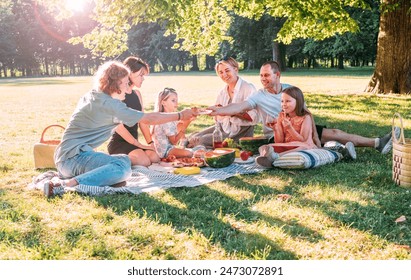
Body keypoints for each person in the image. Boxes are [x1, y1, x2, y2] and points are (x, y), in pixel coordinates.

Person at [43, 61, 197, 198]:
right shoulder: (111, 106)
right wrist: (180, 115)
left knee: (121, 160)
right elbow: (149, 119)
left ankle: (103, 179)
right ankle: (67, 185)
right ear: (115, 84)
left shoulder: (93, 95)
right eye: (124, 82)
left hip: (65, 158)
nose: (127, 86)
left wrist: (142, 144)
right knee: (122, 166)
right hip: (73, 159)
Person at [209, 61, 397, 156]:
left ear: (277, 75)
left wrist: (314, 135)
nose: (263, 79)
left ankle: (377, 143)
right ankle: (339, 150)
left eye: (266, 75)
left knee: (333, 132)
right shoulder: (259, 95)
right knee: (311, 144)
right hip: (278, 135)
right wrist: (217, 110)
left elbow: (307, 115)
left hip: (301, 127)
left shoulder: (291, 91)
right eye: (261, 76)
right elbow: (239, 106)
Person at [187, 56, 258, 148]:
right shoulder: (223, 91)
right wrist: (208, 111)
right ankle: (189, 146)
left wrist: (227, 111)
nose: (224, 75)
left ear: (235, 70)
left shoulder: (247, 88)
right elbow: (219, 112)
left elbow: (253, 118)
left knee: (200, 141)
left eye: (227, 70)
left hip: (239, 131)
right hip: (223, 127)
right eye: (221, 72)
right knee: (193, 137)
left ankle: (196, 148)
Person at [107, 56, 159, 167]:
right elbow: (118, 126)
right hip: (119, 143)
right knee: (144, 161)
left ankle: (136, 155)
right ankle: (109, 160)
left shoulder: (137, 94)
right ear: (129, 73)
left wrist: (150, 143)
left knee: (154, 157)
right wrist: (138, 144)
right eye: (141, 74)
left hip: (135, 143)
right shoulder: (118, 94)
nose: (143, 78)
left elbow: (143, 122)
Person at [256, 86, 321, 167]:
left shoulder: (305, 117)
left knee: (302, 148)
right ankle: (265, 158)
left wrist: (290, 128)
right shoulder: (281, 116)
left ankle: (276, 157)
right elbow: (279, 141)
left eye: (288, 101)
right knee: (266, 146)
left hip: (303, 145)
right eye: (282, 101)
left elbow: (303, 139)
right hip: (288, 146)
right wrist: (275, 129)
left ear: (298, 102)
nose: (284, 104)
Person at [152, 88, 196, 159]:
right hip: (165, 152)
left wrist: (189, 119)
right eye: (173, 101)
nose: (176, 103)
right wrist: (185, 124)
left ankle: (183, 144)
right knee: (190, 153)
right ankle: (178, 151)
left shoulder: (169, 116)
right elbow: (174, 142)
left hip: (170, 148)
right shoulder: (165, 120)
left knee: (193, 152)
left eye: (176, 100)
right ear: (163, 103)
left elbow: (180, 123)